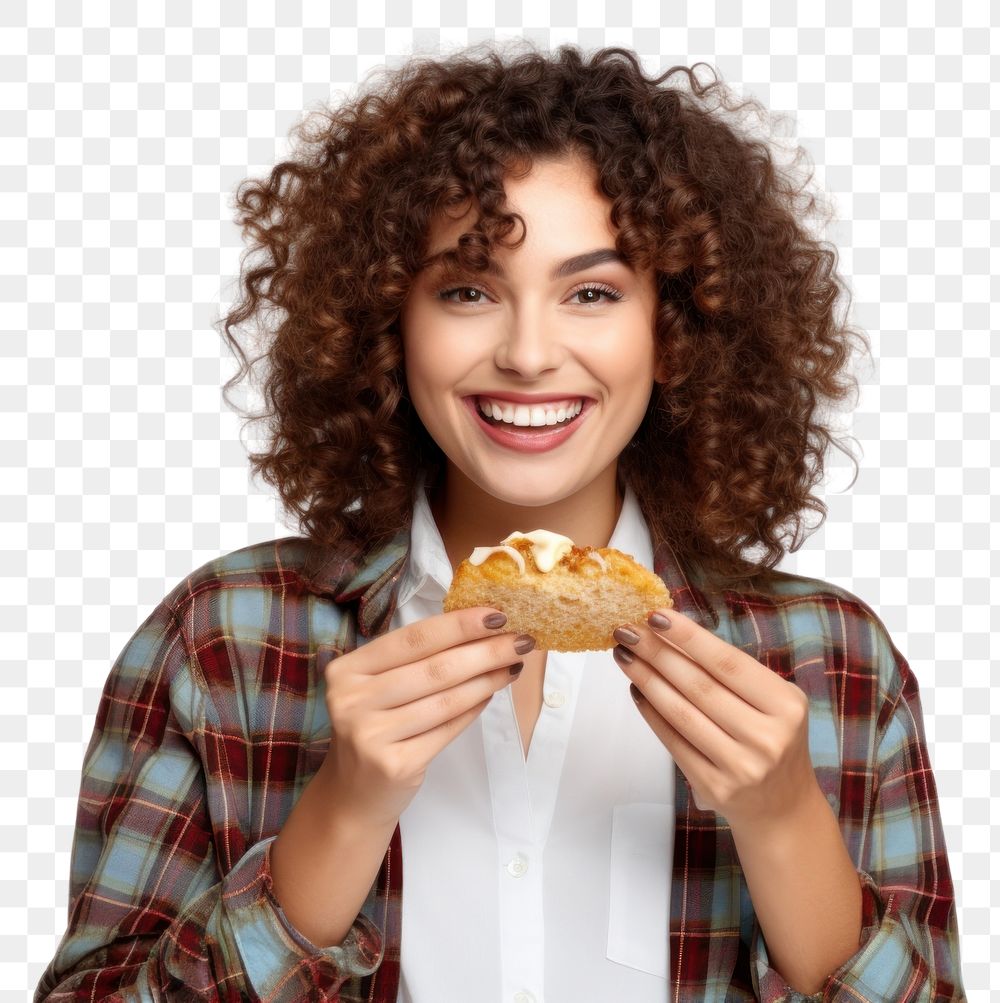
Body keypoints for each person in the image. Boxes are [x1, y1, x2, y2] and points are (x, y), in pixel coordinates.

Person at [35, 41, 965, 1002]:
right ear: (388, 319)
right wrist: (342, 815)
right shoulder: (224, 638)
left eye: (592, 293)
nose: (527, 353)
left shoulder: (831, 659)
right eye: (468, 290)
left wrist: (782, 823)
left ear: (675, 329)